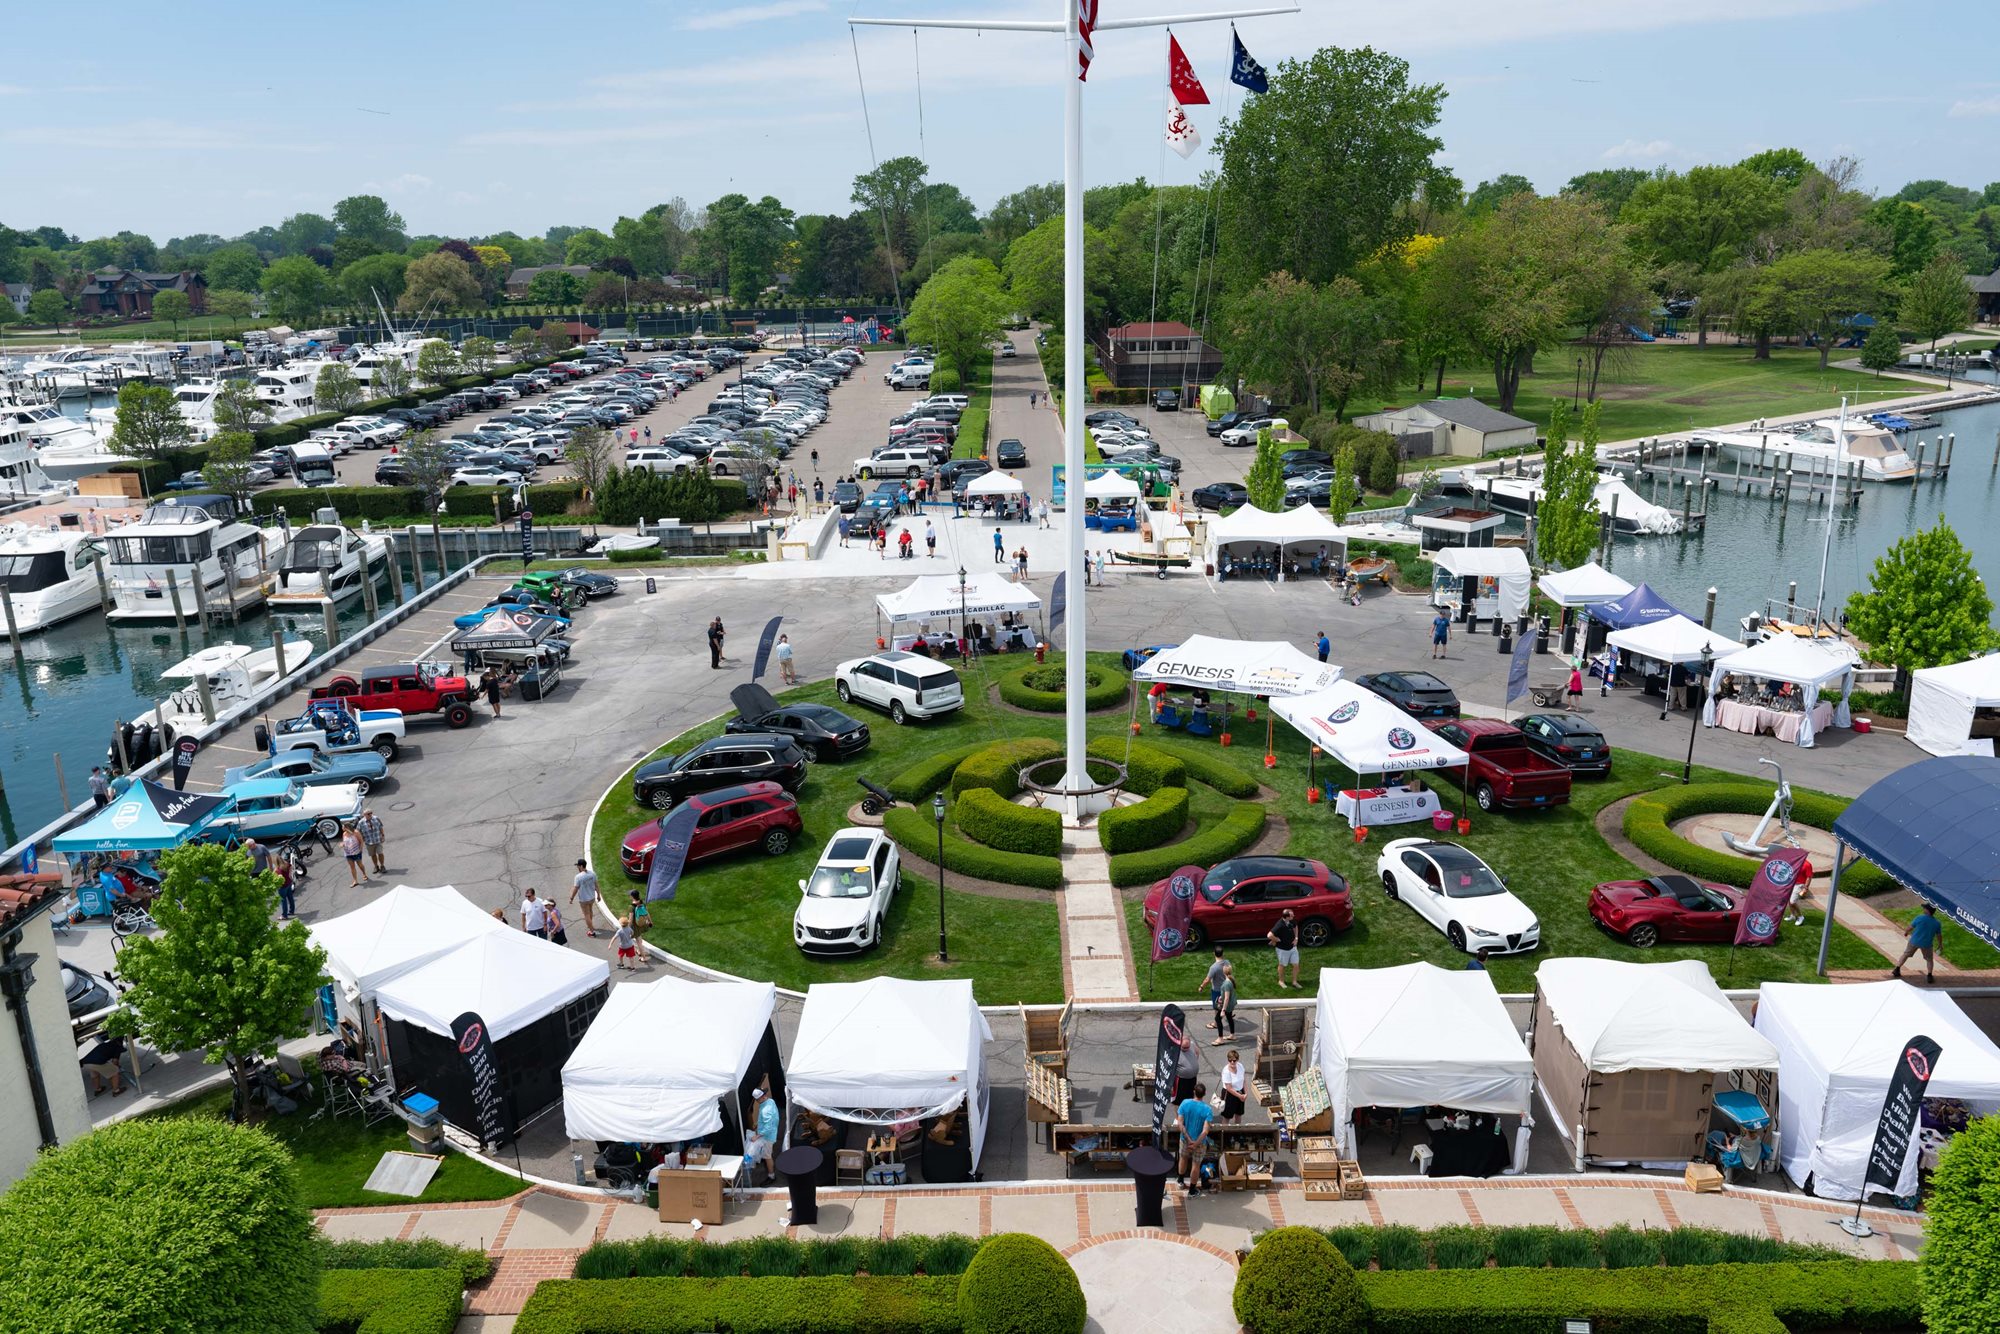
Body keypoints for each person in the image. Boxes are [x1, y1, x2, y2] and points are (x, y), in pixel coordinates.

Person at [1176, 1081, 1214, 1196]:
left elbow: (1180, 1124)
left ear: (1194, 1092)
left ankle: (1181, 1181)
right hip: (1200, 1143)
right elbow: (1205, 1131)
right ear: (1204, 1094)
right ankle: (1192, 1190)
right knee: (1196, 1165)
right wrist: (1196, 1143)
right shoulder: (1207, 1110)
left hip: (1184, 1139)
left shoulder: (1184, 1103)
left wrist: (1188, 1139)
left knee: (1183, 1158)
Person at [1892, 904, 1942, 982]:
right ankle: (1929, 975)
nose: (1923, 909)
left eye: (1924, 908)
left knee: (1905, 954)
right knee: (1929, 959)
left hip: (1914, 942)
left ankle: (1897, 969)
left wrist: (1906, 932)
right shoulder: (1937, 923)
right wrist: (1940, 944)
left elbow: (1910, 927)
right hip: (1927, 944)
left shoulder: (1920, 918)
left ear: (1927, 910)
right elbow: (1939, 935)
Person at [748, 1086, 782, 1183]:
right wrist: (759, 1124)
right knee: (768, 1153)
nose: (765, 1095)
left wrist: (757, 1136)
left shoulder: (765, 1110)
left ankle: (771, 1176)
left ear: (759, 1099)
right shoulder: (770, 1101)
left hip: (767, 1136)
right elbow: (771, 1119)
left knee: (767, 1156)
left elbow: (768, 1127)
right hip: (772, 1132)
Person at [1268, 908, 1301, 989]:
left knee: (1296, 965)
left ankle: (1294, 982)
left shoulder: (1292, 920)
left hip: (1293, 947)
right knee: (1282, 965)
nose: (1293, 915)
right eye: (1291, 915)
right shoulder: (1280, 925)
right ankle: (1281, 981)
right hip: (1282, 949)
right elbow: (1269, 935)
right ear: (1286, 917)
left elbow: (1295, 926)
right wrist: (1277, 940)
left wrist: (1296, 938)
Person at [571, 858, 601, 937]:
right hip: (591, 898)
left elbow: (576, 888)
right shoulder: (592, 874)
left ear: (581, 866)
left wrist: (571, 898)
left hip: (584, 899)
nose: (577, 867)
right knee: (590, 911)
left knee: (586, 914)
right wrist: (598, 895)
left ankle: (591, 931)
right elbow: (596, 885)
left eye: (578, 866)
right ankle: (590, 925)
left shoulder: (578, 877)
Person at [1201, 946, 1228, 1030]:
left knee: (1217, 1008)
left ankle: (1216, 1023)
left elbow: (1207, 979)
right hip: (1226, 988)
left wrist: (1201, 986)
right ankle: (1227, 1013)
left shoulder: (1213, 967)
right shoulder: (1227, 962)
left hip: (1217, 991)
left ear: (1214, 954)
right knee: (1225, 1002)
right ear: (1223, 954)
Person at [1171, 1028, 1200, 1103]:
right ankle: (1179, 1115)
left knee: (1190, 1098)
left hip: (1192, 1079)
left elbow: (1197, 1052)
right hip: (1181, 1081)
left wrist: (1194, 1062)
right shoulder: (1174, 1050)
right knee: (1178, 1101)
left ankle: (1187, 1113)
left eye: (1187, 1047)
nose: (1186, 1049)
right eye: (1183, 1047)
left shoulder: (1192, 1044)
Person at [1218, 1050, 1247, 1124]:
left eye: (1234, 1060)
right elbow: (1229, 1088)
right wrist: (1240, 1096)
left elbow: (1244, 1081)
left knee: (1238, 1114)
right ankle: (1224, 1134)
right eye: (1230, 1060)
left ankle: (1237, 1132)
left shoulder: (1240, 1066)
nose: (1232, 1062)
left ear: (1237, 1060)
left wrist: (1246, 1093)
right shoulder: (1226, 1071)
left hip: (1240, 1092)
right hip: (1229, 1095)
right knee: (1227, 1116)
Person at [1213, 962, 1238, 1043]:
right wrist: (1221, 996)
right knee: (1230, 1018)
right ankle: (1232, 1035)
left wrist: (1223, 1010)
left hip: (1226, 1005)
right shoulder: (1230, 980)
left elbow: (1226, 998)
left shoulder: (1227, 983)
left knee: (1217, 1019)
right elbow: (1227, 995)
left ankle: (1220, 1038)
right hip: (1230, 1005)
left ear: (1224, 972)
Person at [357, 808, 386, 876]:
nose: (370, 815)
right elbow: (358, 832)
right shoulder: (361, 822)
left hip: (378, 840)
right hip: (369, 842)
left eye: (371, 813)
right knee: (373, 855)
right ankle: (376, 866)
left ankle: (382, 866)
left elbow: (380, 827)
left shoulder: (376, 818)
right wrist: (361, 840)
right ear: (364, 815)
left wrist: (383, 835)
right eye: (368, 814)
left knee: (380, 853)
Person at [341, 821, 366, 886]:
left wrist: (360, 850)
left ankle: (364, 874)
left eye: (343, 827)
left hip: (356, 852)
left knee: (360, 864)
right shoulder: (344, 834)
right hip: (348, 853)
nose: (342, 828)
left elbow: (361, 841)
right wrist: (342, 844)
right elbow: (344, 842)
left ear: (347, 827)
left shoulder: (356, 832)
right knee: (352, 867)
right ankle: (355, 881)